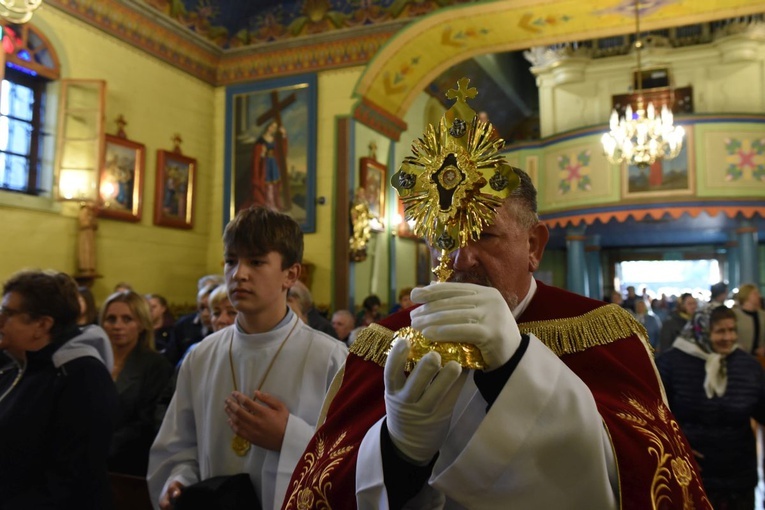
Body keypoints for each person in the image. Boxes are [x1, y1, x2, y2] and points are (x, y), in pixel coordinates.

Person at [282, 168, 709, 509]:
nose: (461, 258)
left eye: (485, 234)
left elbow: (641, 477)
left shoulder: (601, 332)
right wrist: (398, 453)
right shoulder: (383, 342)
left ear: (534, 246)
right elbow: (326, 486)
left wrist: (514, 368)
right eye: (445, 238)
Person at [148, 206, 348, 510]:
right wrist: (178, 481)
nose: (238, 274)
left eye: (255, 262)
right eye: (231, 261)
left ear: (290, 274)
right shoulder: (201, 356)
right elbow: (180, 447)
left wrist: (287, 437)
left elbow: (351, 456)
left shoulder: (330, 357)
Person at [0, 270, 118, 508]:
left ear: (42, 324)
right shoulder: (14, 367)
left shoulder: (82, 376)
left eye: (8, 313)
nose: (0, 320)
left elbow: (72, 477)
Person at [657, 305, 765, 509]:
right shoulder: (671, 364)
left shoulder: (748, 366)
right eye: (720, 331)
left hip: (738, 472)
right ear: (702, 331)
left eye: (732, 330)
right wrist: (677, 449)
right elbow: (655, 415)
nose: (729, 337)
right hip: (691, 470)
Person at [101, 290, 172, 476]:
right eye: (111, 319)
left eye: (127, 319)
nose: (117, 326)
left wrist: (102, 448)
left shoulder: (156, 365)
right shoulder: (94, 361)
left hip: (131, 464)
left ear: (141, 324)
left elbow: (148, 422)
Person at [165, 283, 215, 365]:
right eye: (202, 308)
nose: (205, 314)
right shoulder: (183, 325)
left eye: (210, 308)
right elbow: (171, 359)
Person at [253, 121, 289, 211]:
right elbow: (257, 156)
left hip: (274, 163)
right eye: (271, 126)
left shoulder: (274, 139)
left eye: (275, 127)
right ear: (267, 126)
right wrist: (262, 152)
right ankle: (269, 204)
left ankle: (276, 203)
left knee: (275, 185)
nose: (272, 128)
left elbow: (282, 150)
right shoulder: (260, 140)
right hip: (266, 164)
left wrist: (284, 135)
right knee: (268, 185)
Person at [732, 283, 765, 356]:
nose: (759, 296)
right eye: (755, 294)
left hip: (761, 359)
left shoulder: (763, 315)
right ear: (746, 295)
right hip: (740, 357)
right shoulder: (734, 315)